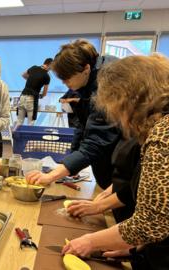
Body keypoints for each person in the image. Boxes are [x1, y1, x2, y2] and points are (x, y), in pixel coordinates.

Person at [62, 54, 169, 270]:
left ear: (131, 99)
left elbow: (151, 222)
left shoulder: (162, 136)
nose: (119, 120)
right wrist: (136, 246)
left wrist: (90, 241)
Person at [26, 39, 120, 189]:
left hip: (121, 167)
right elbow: (84, 127)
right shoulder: (88, 83)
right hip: (111, 172)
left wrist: (52, 175)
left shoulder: (108, 86)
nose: (64, 83)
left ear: (86, 69)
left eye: (66, 78)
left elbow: (97, 141)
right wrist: (71, 164)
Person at [16, 58, 52, 126]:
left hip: (22, 96)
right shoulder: (47, 76)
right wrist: (41, 95)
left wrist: (31, 79)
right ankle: (29, 137)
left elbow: (23, 75)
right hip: (32, 99)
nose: (51, 69)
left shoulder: (34, 67)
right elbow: (45, 93)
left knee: (19, 121)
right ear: (50, 65)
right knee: (31, 123)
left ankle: (15, 136)